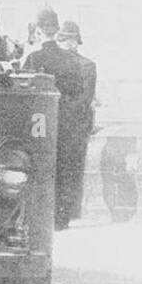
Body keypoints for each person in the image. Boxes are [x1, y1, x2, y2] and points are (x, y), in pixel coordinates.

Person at [23, 9, 87, 230]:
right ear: (57, 30)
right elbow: (79, 90)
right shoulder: (71, 60)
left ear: (39, 31)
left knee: (40, 165)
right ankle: (61, 218)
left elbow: (25, 95)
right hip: (65, 122)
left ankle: (39, 216)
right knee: (62, 167)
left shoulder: (34, 58)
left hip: (39, 123)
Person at [57, 20, 97, 226]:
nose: (67, 43)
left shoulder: (87, 66)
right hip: (67, 125)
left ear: (76, 42)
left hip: (72, 126)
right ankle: (63, 213)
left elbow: (85, 99)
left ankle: (67, 212)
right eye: (63, 39)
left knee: (71, 169)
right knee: (67, 169)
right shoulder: (81, 65)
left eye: (69, 39)